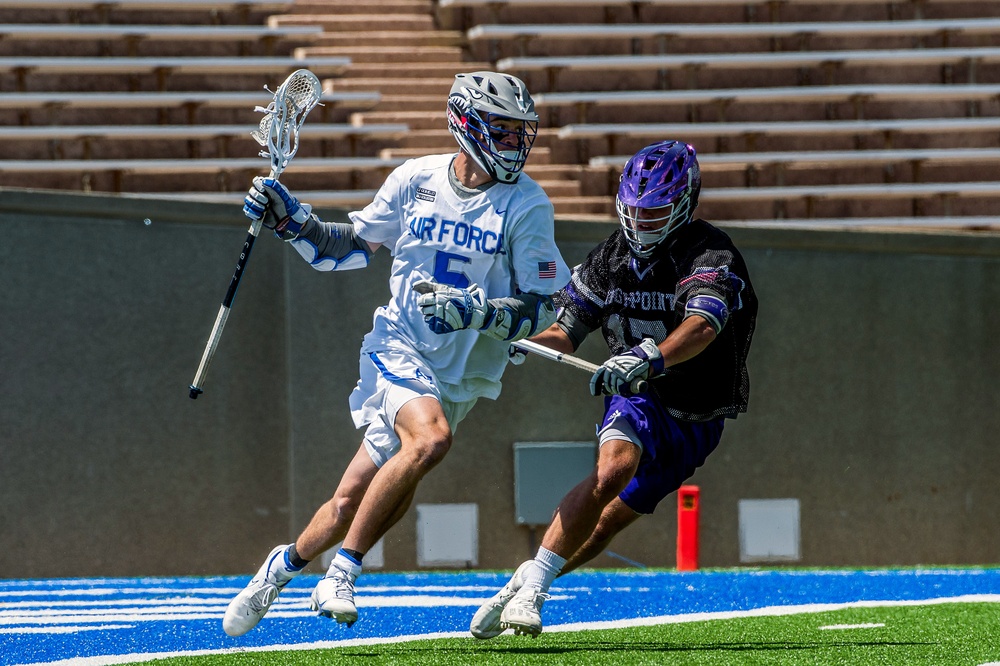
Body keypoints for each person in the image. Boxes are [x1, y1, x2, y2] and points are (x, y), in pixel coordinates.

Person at [221, 71, 571, 637]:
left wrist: (480, 313)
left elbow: (544, 306)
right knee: (430, 439)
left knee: (350, 500)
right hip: (398, 346)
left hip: (460, 373)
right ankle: (341, 574)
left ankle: (278, 569)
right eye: (503, 132)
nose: (516, 144)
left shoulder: (527, 205)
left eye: (519, 133)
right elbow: (351, 248)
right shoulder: (415, 178)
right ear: (467, 125)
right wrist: (291, 220)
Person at [470, 139, 758, 639]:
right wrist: (503, 331)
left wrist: (650, 354)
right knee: (613, 471)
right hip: (638, 393)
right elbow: (566, 330)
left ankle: (529, 574)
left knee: (605, 523)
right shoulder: (611, 255)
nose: (642, 223)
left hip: (697, 412)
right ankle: (538, 589)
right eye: (635, 211)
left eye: (657, 212)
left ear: (686, 203)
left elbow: (703, 326)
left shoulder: (710, 252)